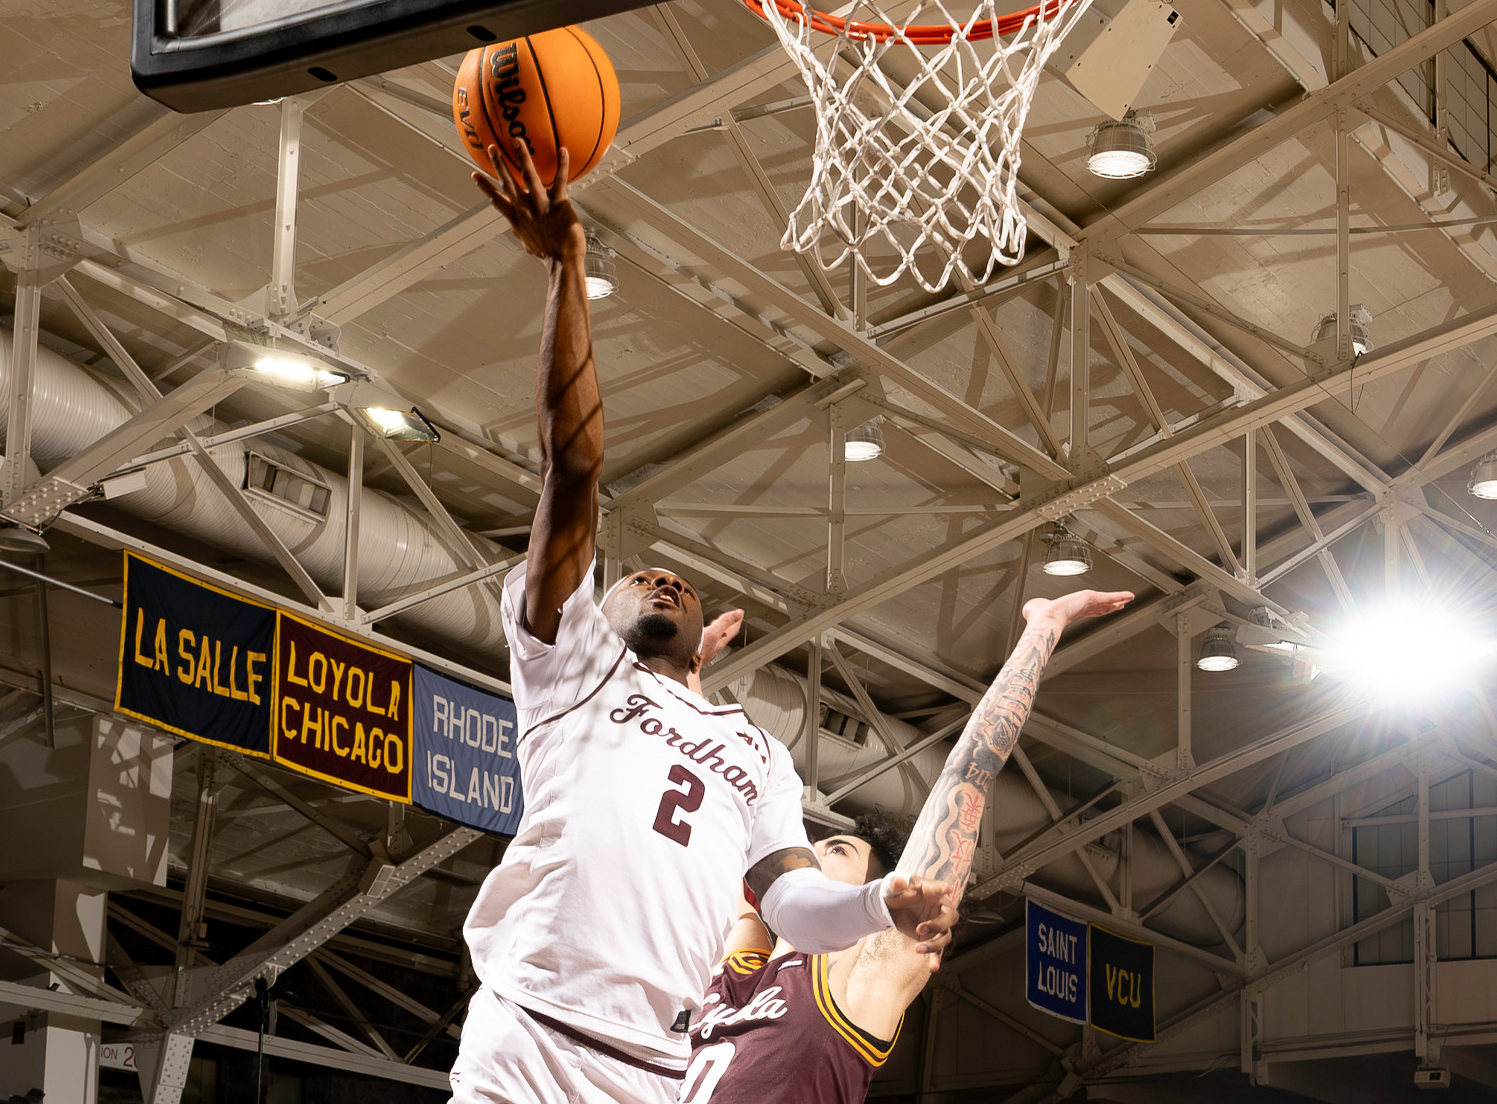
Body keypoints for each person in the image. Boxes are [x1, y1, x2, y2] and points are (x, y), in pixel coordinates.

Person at [448, 142, 960, 1104]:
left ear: (704, 638)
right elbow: (573, 466)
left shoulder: (758, 752)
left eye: (677, 582)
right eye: (636, 576)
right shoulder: (572, 667)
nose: (658, 580)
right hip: (532, 1028)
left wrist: (874, 902)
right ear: (595, 613)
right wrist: (566, 268)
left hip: (652, 1066)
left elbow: (793, 904)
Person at [680, 588, 1134, 1103]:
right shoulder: (741, 969)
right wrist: (690, 674)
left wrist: (1045, 626)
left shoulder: (862, 975)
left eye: (838, 851)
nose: (813, 850)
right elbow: (704, 768)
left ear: (883, 892)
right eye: (818, 843)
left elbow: (971, 769)